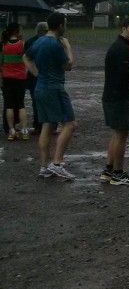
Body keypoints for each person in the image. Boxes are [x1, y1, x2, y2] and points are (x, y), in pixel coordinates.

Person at [24, 12, 77, 180]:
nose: (66, 28)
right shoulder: (55, 44)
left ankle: (44, 166)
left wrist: (37, 74)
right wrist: (68, 46)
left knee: (47, 125)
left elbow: (26, 57)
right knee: (70, 124)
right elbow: (68, 65)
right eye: (66, 24)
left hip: (41, 88)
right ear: (60, 26)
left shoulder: (39, 41)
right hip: (54, 89)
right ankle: (57, 163)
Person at [100, 16, 129, 185]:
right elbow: (124, 74)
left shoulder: (120, 47)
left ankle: (109, 170)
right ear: (123, 28)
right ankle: (117, 173)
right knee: (121, 135)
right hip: (119, 97)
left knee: (117, 134)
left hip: (112, 95)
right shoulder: (122, 48)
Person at [3, 23, 30, 140]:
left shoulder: (3, 45)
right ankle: (24, 131)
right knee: (20, 105)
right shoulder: (23, 44)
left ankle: (12, 131)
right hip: (20, 78)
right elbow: (28, 59)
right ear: (16, 31)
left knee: (9, 105)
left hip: (7, 78)